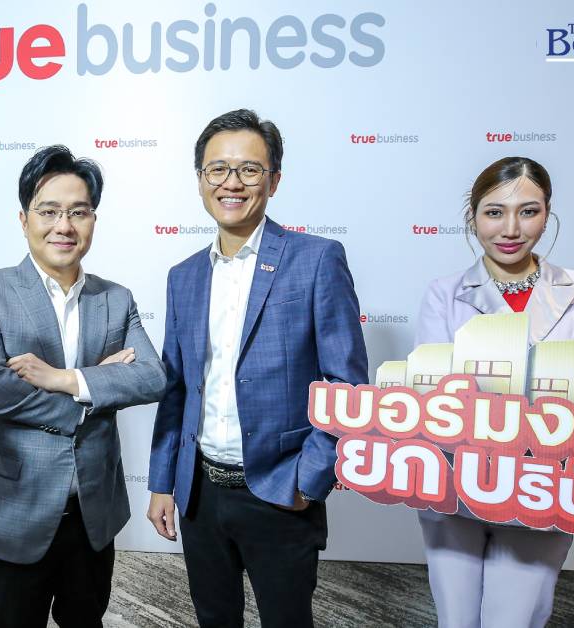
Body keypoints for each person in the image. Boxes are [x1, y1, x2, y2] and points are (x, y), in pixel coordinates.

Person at [146, 109, 368, 627]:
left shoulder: (316, 259)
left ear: (274, 180)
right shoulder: (183, 276)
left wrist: (308, 480)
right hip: (200, 494)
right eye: (217, 169)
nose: (232, 183)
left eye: (249, 169)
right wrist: (162, 482)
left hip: (279, 491)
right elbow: (176, 389)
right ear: (200, 179)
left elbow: (348, 386)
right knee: (214, 618)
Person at [0, 145, 166, 628]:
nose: (64, 226)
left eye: (78, 212)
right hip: (14, 505)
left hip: (93, 510)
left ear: (93, 219)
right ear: (24, 218)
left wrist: (65, 378)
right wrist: (94, 391)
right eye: (49, 211)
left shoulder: (116, 298)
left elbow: (152, 377)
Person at [415, 156, 574, 628]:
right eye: (494, 212)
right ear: (473, 217)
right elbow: (432, 395)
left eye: (528, 211)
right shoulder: (444, 293)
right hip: (456, 479)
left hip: (544, 483)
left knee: (514, 617)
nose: (511, 229)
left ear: (547, 214)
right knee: (455, 617)